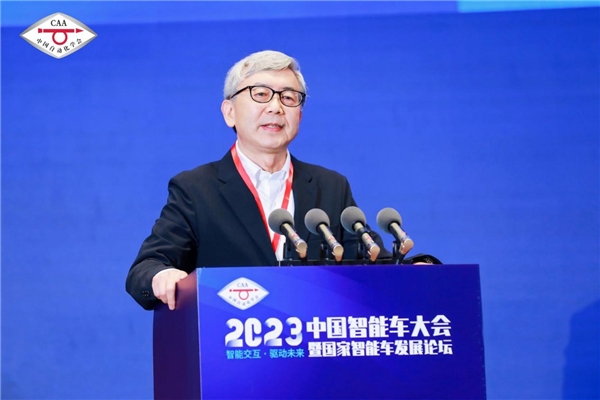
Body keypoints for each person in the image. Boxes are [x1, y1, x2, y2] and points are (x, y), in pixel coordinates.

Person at [126, 50, 391, 311]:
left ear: (300, 115)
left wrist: (411, 269)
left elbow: (374, 263)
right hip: (230, 333)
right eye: (261, 94)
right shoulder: (195, 189)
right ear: (229, 112)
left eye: (289, 97)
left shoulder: (330, 186)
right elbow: (143, 275)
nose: (276, 107)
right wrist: (160, 277)